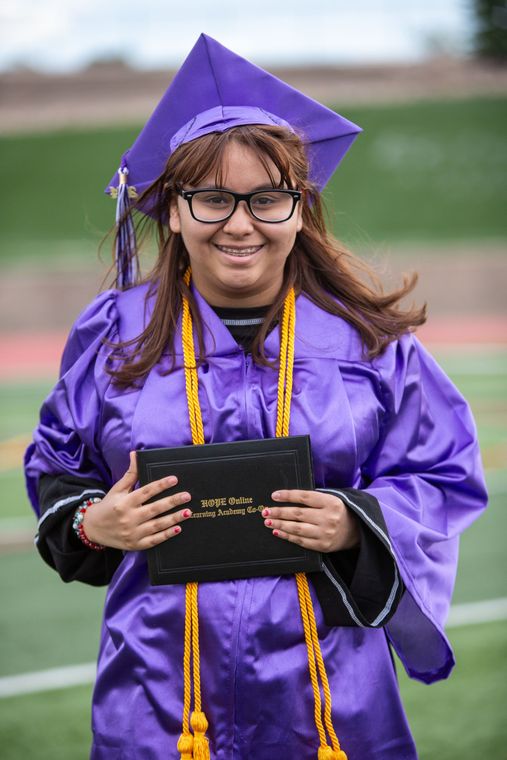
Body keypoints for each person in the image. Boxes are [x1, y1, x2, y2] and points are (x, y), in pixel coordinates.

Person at [25, 34, 487, 760]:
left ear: (299, 209)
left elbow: (445, 475)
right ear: (171, 210)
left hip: (330, 694)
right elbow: (58, 462)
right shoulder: (113, 333)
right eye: (211, 198)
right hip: (155, 690)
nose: (240, 224)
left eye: (266, 198)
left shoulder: (369, 343)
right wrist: (93, 523)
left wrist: (355, 521)